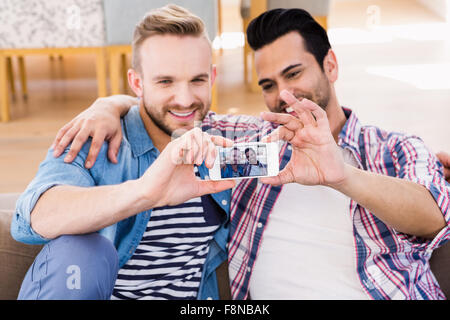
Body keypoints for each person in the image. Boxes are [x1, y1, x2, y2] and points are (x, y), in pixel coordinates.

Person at [34, 8, 450, 300]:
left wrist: (341, 173)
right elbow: (174, 112)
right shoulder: (248, 141)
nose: (283, 96)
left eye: (294, 74)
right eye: (267, 85)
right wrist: (109, 104)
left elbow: (432, 216)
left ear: (331, 65)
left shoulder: (393, 147)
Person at [11, 5, 238, 300]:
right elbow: (32, 218)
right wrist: (146, 192)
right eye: (165, 81)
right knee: (81, 251)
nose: (185, 100)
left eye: (197, 80)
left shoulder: (225, 142)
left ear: (213, 76)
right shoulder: (95, 137)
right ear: (137, 83)